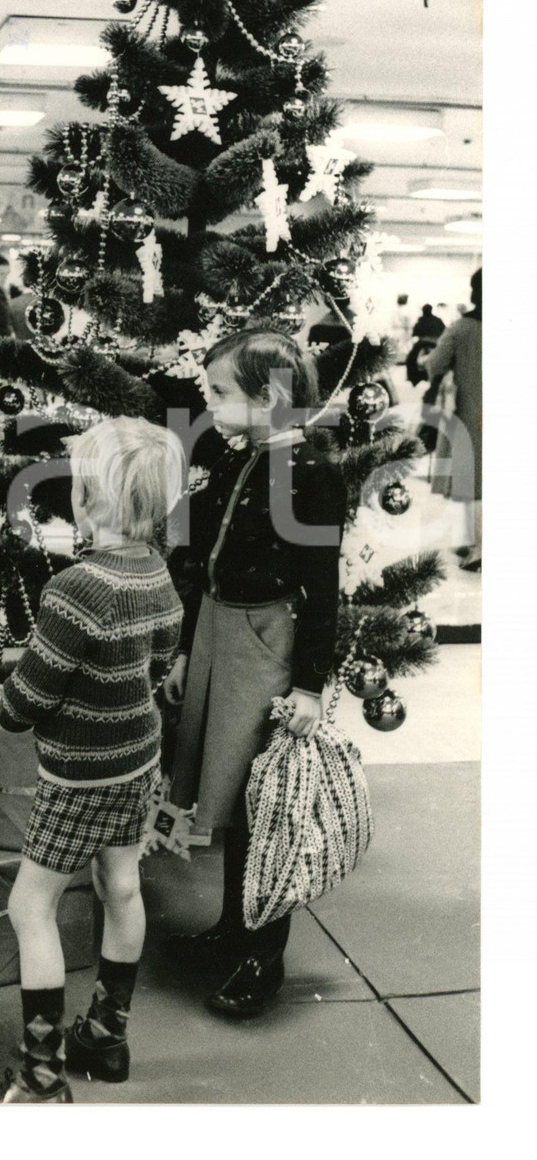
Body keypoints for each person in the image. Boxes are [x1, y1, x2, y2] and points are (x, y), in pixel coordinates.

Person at [0, 418, 184, 1102]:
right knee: (121, 887)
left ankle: (42, 1077)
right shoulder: (157, 572)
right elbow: (157, 666)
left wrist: (3, 705)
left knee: (29, 906)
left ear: (86, 498)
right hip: (136, 761)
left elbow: (29, 701)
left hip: (78, 775)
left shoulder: (76, 587)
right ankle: (105, 1036)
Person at [164, 330, 346, 1020]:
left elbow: (323, 591)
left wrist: (309, 685)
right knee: (233, 794)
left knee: (263, 804)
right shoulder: (237, 457)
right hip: (218, 632)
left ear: (268, 398)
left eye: (219, 393)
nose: (209, 405)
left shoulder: (313, 474)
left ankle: (262, 956)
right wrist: (188, 650)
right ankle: (232, 929)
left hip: (265, 644)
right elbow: (202, 563)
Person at [425, 267, 482, 570]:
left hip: (469, 413)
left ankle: (472, 545)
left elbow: (434, 364)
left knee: (469, 480)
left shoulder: (461, 328)